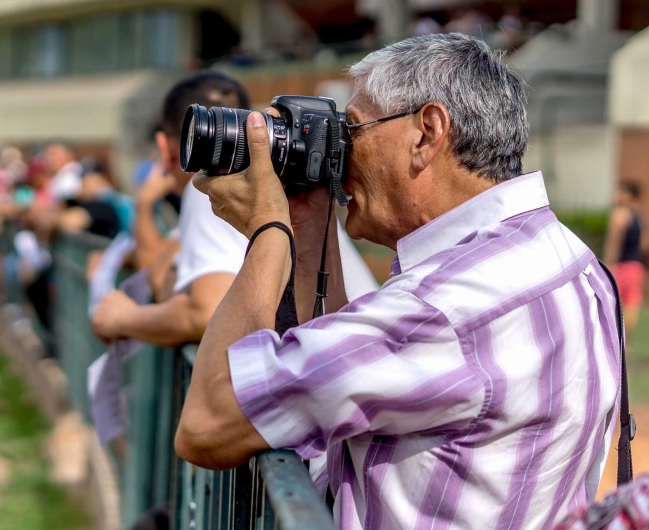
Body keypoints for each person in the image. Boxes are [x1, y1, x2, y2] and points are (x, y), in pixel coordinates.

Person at [176, 34, 621, 529]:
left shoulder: (445, 309)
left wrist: (267, 230)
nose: (340, 154)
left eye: (352, 130)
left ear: (427, 133)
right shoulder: (567, 257)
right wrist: (306, 222)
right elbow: (344, 365)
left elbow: (209, 423)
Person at [91, 71, 378, 349]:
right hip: (356, 360)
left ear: (164, 147)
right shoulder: (272, 178)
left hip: (339, 366)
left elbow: (206, 312)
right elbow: (158, 268)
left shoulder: (220, 185)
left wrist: (122, 319)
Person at [604, 181, 644, 337]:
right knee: (632, 304)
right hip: (635, 267)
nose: (617, 195)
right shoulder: (639, 217)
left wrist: (608, 266)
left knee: (614, 306)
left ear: (628, 196)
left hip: (620, 267)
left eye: (620, 192)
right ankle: (627, 343)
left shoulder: (619, 215)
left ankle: (617, 341)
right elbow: (642, 246)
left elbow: (613, 245)